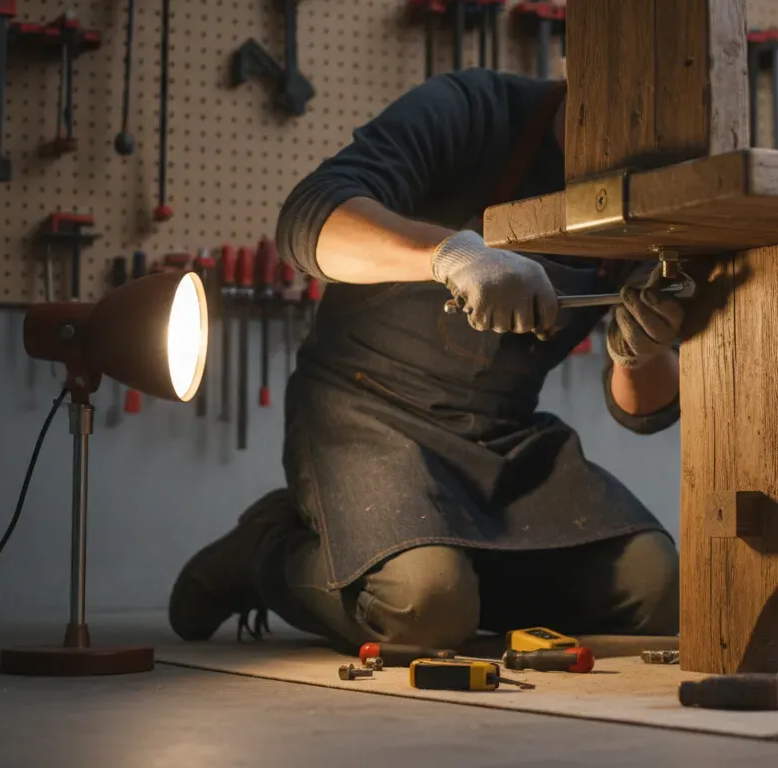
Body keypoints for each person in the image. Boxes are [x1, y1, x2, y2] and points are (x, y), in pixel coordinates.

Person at [167, 68, 686, 653]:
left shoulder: (653, 177)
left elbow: (644, 411)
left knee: (655, 590)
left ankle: (439, 568)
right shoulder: (473, 110)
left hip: (503, 437)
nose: (623, 146)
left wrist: (639, 351)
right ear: (579, 65)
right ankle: (266, 551)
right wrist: (451, 254)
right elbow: (307, 219)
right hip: (365, 412)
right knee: (422, 610)